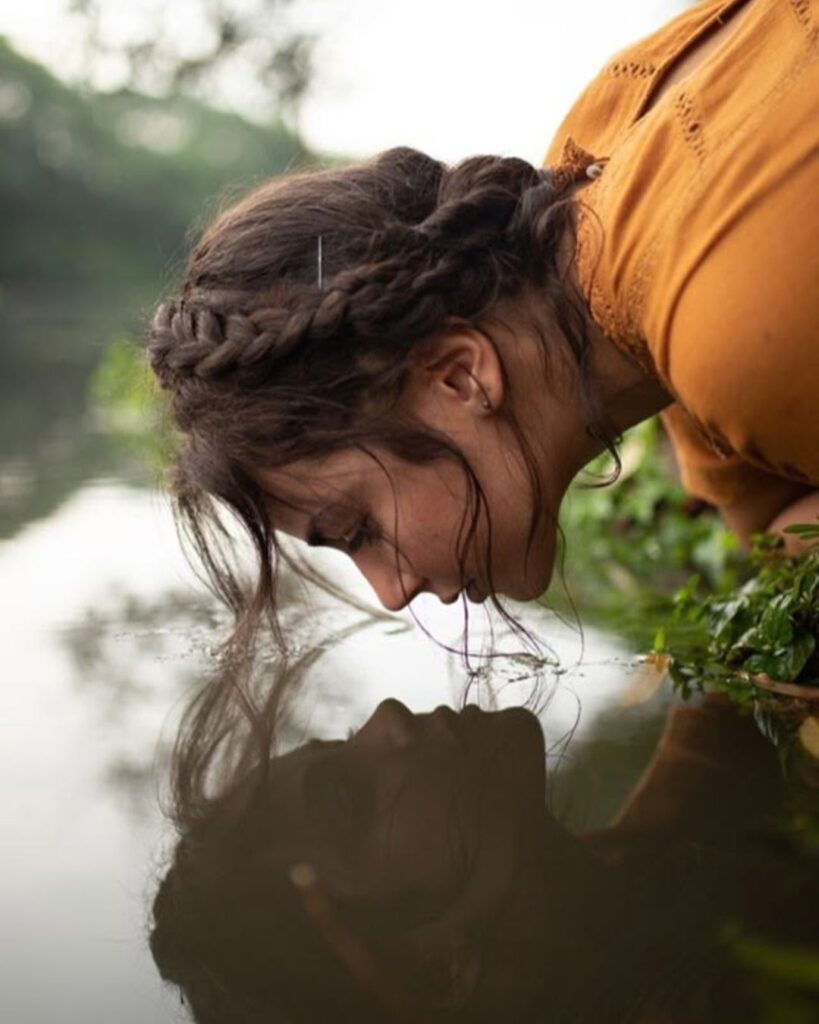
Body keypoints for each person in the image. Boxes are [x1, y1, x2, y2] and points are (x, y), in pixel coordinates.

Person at [148, 0, 818, 661]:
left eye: (361, 530)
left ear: (458, 375)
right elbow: (777, 530)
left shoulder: (730, 329)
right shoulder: (596, 193)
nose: (390, 592)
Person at [149, 695, 819, 1023]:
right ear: (442, 968)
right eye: (350, 799)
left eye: (338, 741)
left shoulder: (653, 840)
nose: (388, 717)